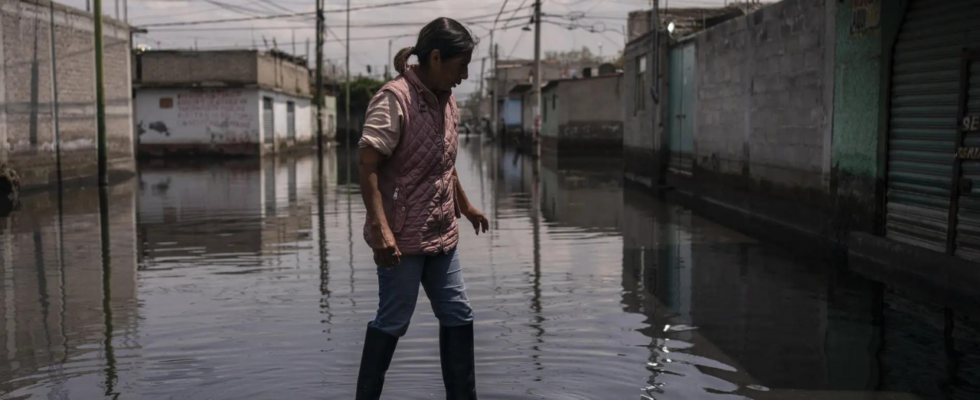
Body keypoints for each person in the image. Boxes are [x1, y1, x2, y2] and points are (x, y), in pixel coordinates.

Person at [355, 17, 488, 400]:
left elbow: (442, 163)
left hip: (442, 234)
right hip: (401, 240)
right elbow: (367, 166)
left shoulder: (448, 101)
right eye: (460, 65)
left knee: (459, 314)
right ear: (434, 57)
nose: (464, 75)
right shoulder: (394, 100)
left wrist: (466, 206)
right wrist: (380, 230)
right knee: (394, 320)